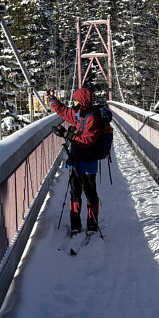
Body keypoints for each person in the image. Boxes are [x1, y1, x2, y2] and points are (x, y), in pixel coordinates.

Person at [46, 87, 102, 234]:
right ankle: (75, 224)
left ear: (83, 102)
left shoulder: (92, 118)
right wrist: (53, 99)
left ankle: (92, 224)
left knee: (90, 193)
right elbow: (64, 111)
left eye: (76, 101)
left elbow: (87, 141)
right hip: (76, 159)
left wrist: (67, 134)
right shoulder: (78, 114)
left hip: (88, 161)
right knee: (75, 192)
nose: (73, 103)